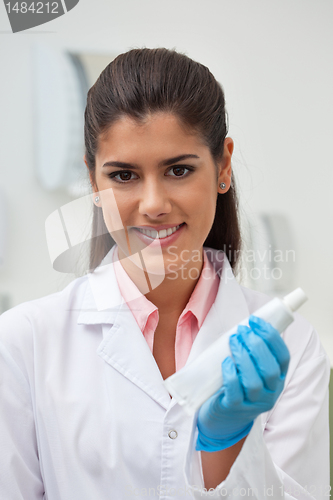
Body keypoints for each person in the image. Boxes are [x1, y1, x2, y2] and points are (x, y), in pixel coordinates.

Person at [0, 48, 330, 499]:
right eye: (123, 176)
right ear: (93, 183)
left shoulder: (293, 347)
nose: (153, 204)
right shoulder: (23, 342)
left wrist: (229, 447)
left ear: (223, 165)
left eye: (178, 170)